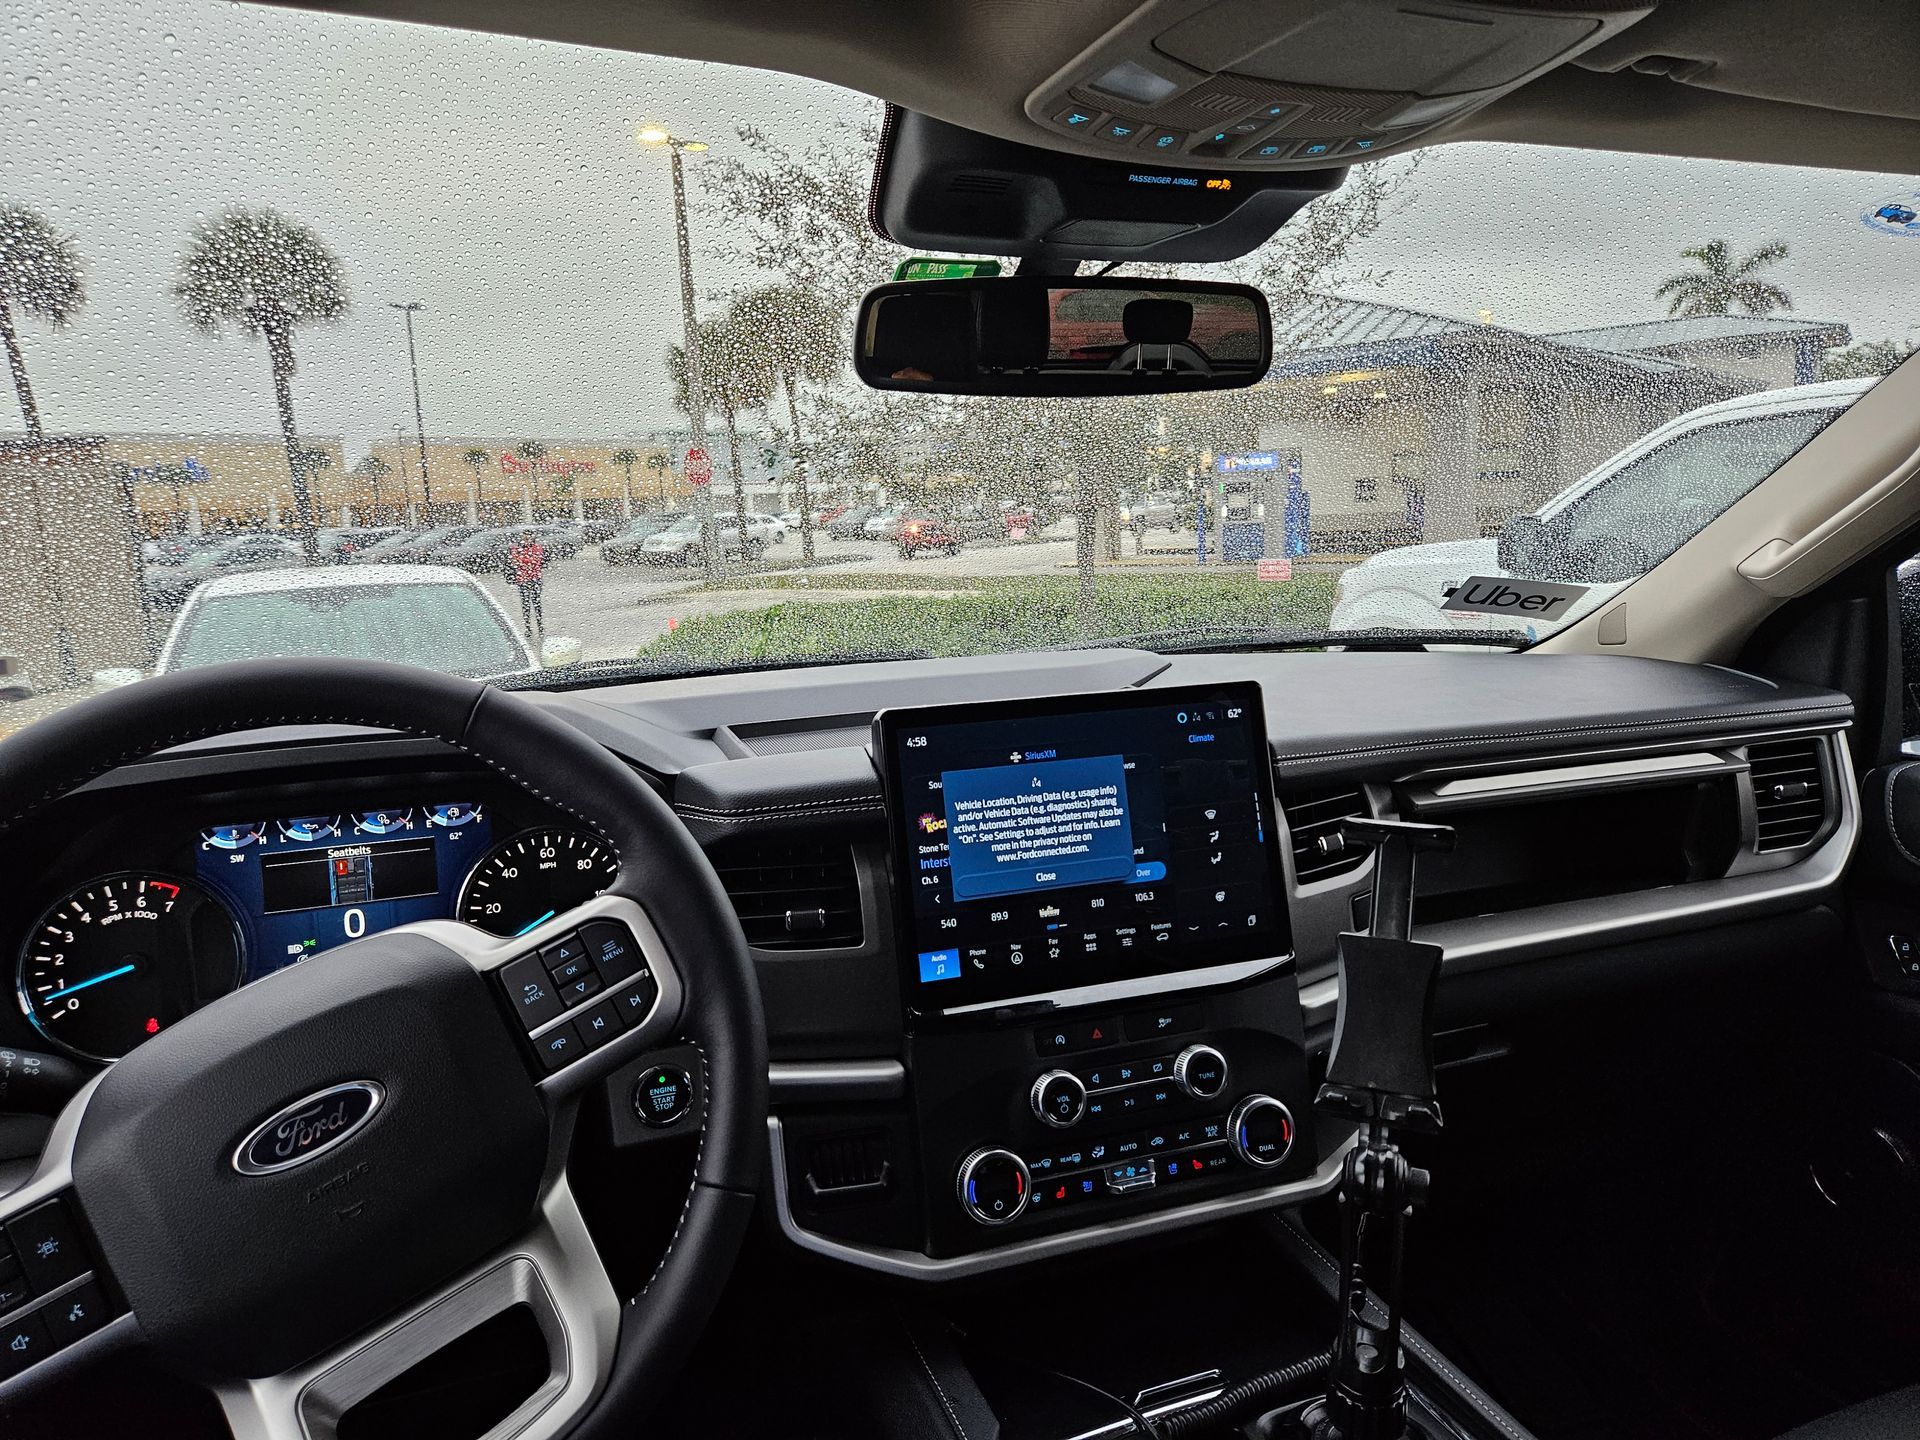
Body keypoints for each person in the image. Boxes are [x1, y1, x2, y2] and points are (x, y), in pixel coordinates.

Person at [505, 528, 547, 639]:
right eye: (524, 536)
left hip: (535, 579)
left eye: (529, 536)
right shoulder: (515, 549)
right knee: (526, 604)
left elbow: (540, 560)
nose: (527, 538)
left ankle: (540, 625)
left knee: (536, 603)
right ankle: (528, 627)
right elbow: (513, 562)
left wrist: (524, 561)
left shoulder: (537, 548)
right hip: (522, 580)